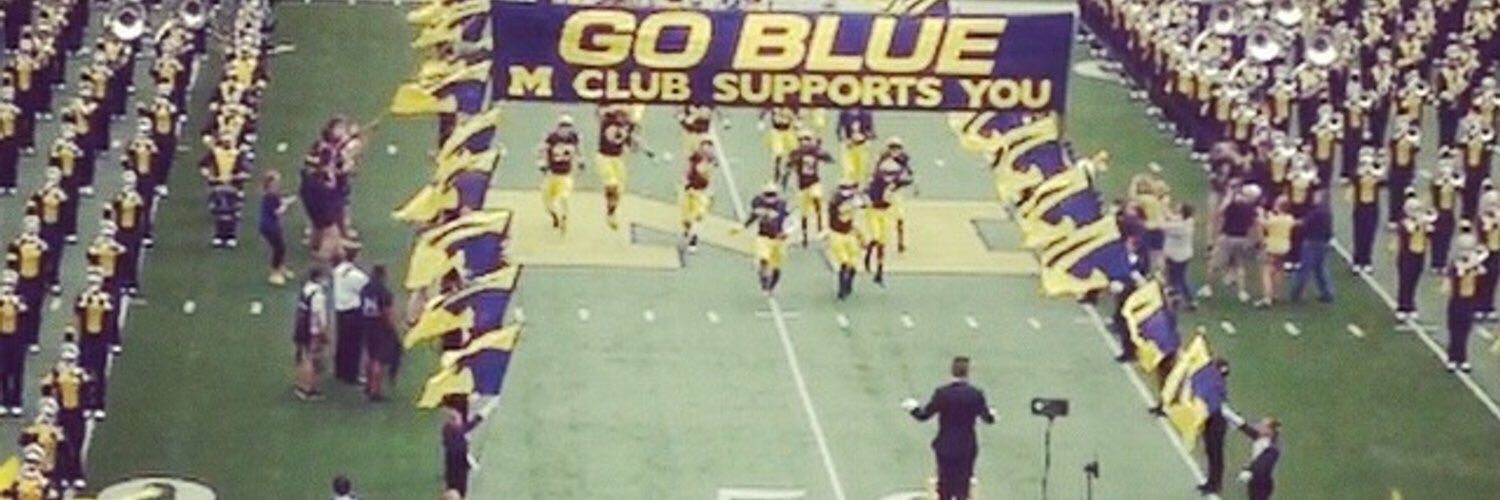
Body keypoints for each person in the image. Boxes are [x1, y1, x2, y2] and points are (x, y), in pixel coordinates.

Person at [901, 356, 995, 500]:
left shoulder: (943, 393)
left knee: (944, 486)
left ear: (952, 371)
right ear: (968, 372)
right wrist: (992, 415)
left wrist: (913, 407)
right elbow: (987, 418)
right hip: (966, 446)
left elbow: (924, 415)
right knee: (963, 486)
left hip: (946, 445)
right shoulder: (976, 395)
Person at [1200, 184, 1261, 303]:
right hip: (1242, 238)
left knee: (1214, 264)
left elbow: (1220, 212)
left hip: (1227, 237)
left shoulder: (1233, 205)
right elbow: (1254, 225)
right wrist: (1254, 240)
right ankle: (1242, 292)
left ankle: (1208, 288)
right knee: (1239, 265)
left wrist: (1229, 196)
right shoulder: (1252, 209)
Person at [739, 182, 788, 296]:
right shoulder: (758, 203)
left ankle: (772, 286)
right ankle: (764, 282)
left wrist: (786, 232)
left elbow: (790, 220)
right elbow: (753, 216)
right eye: (768, 194)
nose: (770, 197)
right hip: (763, 237)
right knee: (763, 259)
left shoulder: (782, 205)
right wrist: (743, 226)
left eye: (772, 194)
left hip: (778, 240)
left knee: (776, 266)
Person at [1445, 234, 1484, 373]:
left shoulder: (1475, 263)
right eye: (1464, 249)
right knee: (1455, 329)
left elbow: (1482, 273)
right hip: (1457, 300)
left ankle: (1462, 358)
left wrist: (1476, 262)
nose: (1467, 252)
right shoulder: (1456, 263)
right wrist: (1471, 264)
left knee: (1465, 330)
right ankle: (1452, 358)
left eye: (1469, 249)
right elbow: (1458, 273)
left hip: (1469, 301)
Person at [789, 130, 834, 246]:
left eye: (807, 139)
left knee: (817, 200)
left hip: (814, 182)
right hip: (802, 186)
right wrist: (795, 160)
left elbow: (829, 159)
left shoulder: (814, 151)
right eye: (802, 139)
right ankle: (804, 235)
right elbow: (790, 164)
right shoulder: (796, 153)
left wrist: (822, 152)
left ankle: (820, 229)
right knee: (804, 213)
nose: (804, 142)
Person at [361, 265, 399, 402]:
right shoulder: (384, 292)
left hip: (367, 326)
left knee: (370, 356)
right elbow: (387, 312)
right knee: (379, 359)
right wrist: (392, 327)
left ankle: (368, 384)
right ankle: (375, 391)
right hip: (381, 328)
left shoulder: (365, 289)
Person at [1289, 190, 1335, 302]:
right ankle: (1327, 293)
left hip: (1312, 242)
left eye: (1317, 196)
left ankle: (1296, 293)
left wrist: (1289, 222)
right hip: (1323, 242)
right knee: (1320, 269)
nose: (1314, 197)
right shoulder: (1327, 212)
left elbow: (1304, 223)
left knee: (1304, 269)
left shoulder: (1316, 212)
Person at [538, 114, 580, 233]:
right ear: (558, 127)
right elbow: (542, 149)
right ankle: (555, 216)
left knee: (564, 197)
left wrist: (581, 160)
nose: (565, 129)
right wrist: (542, 162)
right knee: (547, 203)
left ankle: (564, 218)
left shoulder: (573, 138)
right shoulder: (551, 138)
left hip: (565, 175)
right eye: (563, 126)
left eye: (567, 126)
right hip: (552, 174)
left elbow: (578, 150)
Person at [332, 251, 370, 385]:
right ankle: (351, 375)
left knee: (342, 342)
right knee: (354, 345)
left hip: (340, 311)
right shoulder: (357, 276)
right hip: (354, 313)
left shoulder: (338, 271)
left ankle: (340, 371)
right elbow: (367, 289)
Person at [294, 269, 329, 401]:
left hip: (301, 326)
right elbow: (317, 315)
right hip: (312, 330)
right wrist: (323, 333)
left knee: (302, 356)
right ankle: (308, 389)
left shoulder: (306, 288)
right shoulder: (318, 295)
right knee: (311, 359)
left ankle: (300, 384)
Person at [1255, 197, 1295, 308]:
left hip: (1272, 247)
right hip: (1284, 247)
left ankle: (1267, 297)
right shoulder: (1290, 219)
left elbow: (1262, 223)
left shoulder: (1274, 221)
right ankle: (1276, 294)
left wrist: (1260, 213)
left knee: (1266, 271)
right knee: (1278, 269)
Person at [828, 181, 865, 300]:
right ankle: (842, 289)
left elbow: (852, 219)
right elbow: (842, 209)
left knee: (853, 263)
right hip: (837, 235)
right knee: (844, 262)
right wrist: (856, 201)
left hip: (849, 234)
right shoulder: (836, 201)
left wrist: (860, 235)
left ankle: (848, 284)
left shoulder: (851, 200)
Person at [680, 138, 715, 252]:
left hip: (701, 193)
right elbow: (686, 170)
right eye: (704, 147)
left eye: (709, 148)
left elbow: (709, 179)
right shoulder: (694, 158)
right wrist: (684, 180)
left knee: (698, 217)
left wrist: (710, 193)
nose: (706, 150)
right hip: (689, 191)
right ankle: (688, 231)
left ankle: (694, 239)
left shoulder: (710, 163)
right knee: (686, 220)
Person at [260, 171, 296, 285]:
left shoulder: (272, 195)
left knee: (281, 247)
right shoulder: (270, 196)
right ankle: (274, 272)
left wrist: (288, 200)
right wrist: (285, 206)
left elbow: (279, 201)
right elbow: (277, 211)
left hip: (272, 225)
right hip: (269, 226)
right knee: (279, 249)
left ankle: (280, 267)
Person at [1160, 203, 1197, 309]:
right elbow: (1171, 216)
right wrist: (1163, 206)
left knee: (1178, 279)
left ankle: (1188, 300)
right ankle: (1177, 299)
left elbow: (1162, 225)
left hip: (1177, 257)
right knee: (1175, 278)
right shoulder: (1189, 221)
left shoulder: (1180, 228)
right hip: (1183, 255)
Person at [1237, 417, 1282, 500]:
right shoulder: (1260, 437)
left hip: (1262, 482)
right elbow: (1245, 428)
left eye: (1263, 426)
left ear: (1270, 431)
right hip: (1255, 479)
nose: (1259, 427)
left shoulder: (1272, 448)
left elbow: (1261, 465)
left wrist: (1249, 469)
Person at [0, 271, 26, 416]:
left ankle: (16, 401)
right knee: (2, 370)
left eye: (10, 285)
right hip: (2, 339)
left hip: (16, 339)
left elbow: (26, 317)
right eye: (6, 285)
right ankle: (4, 400)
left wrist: (17, 305)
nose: (8, 288)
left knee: (17, 371)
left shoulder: (20, 299)